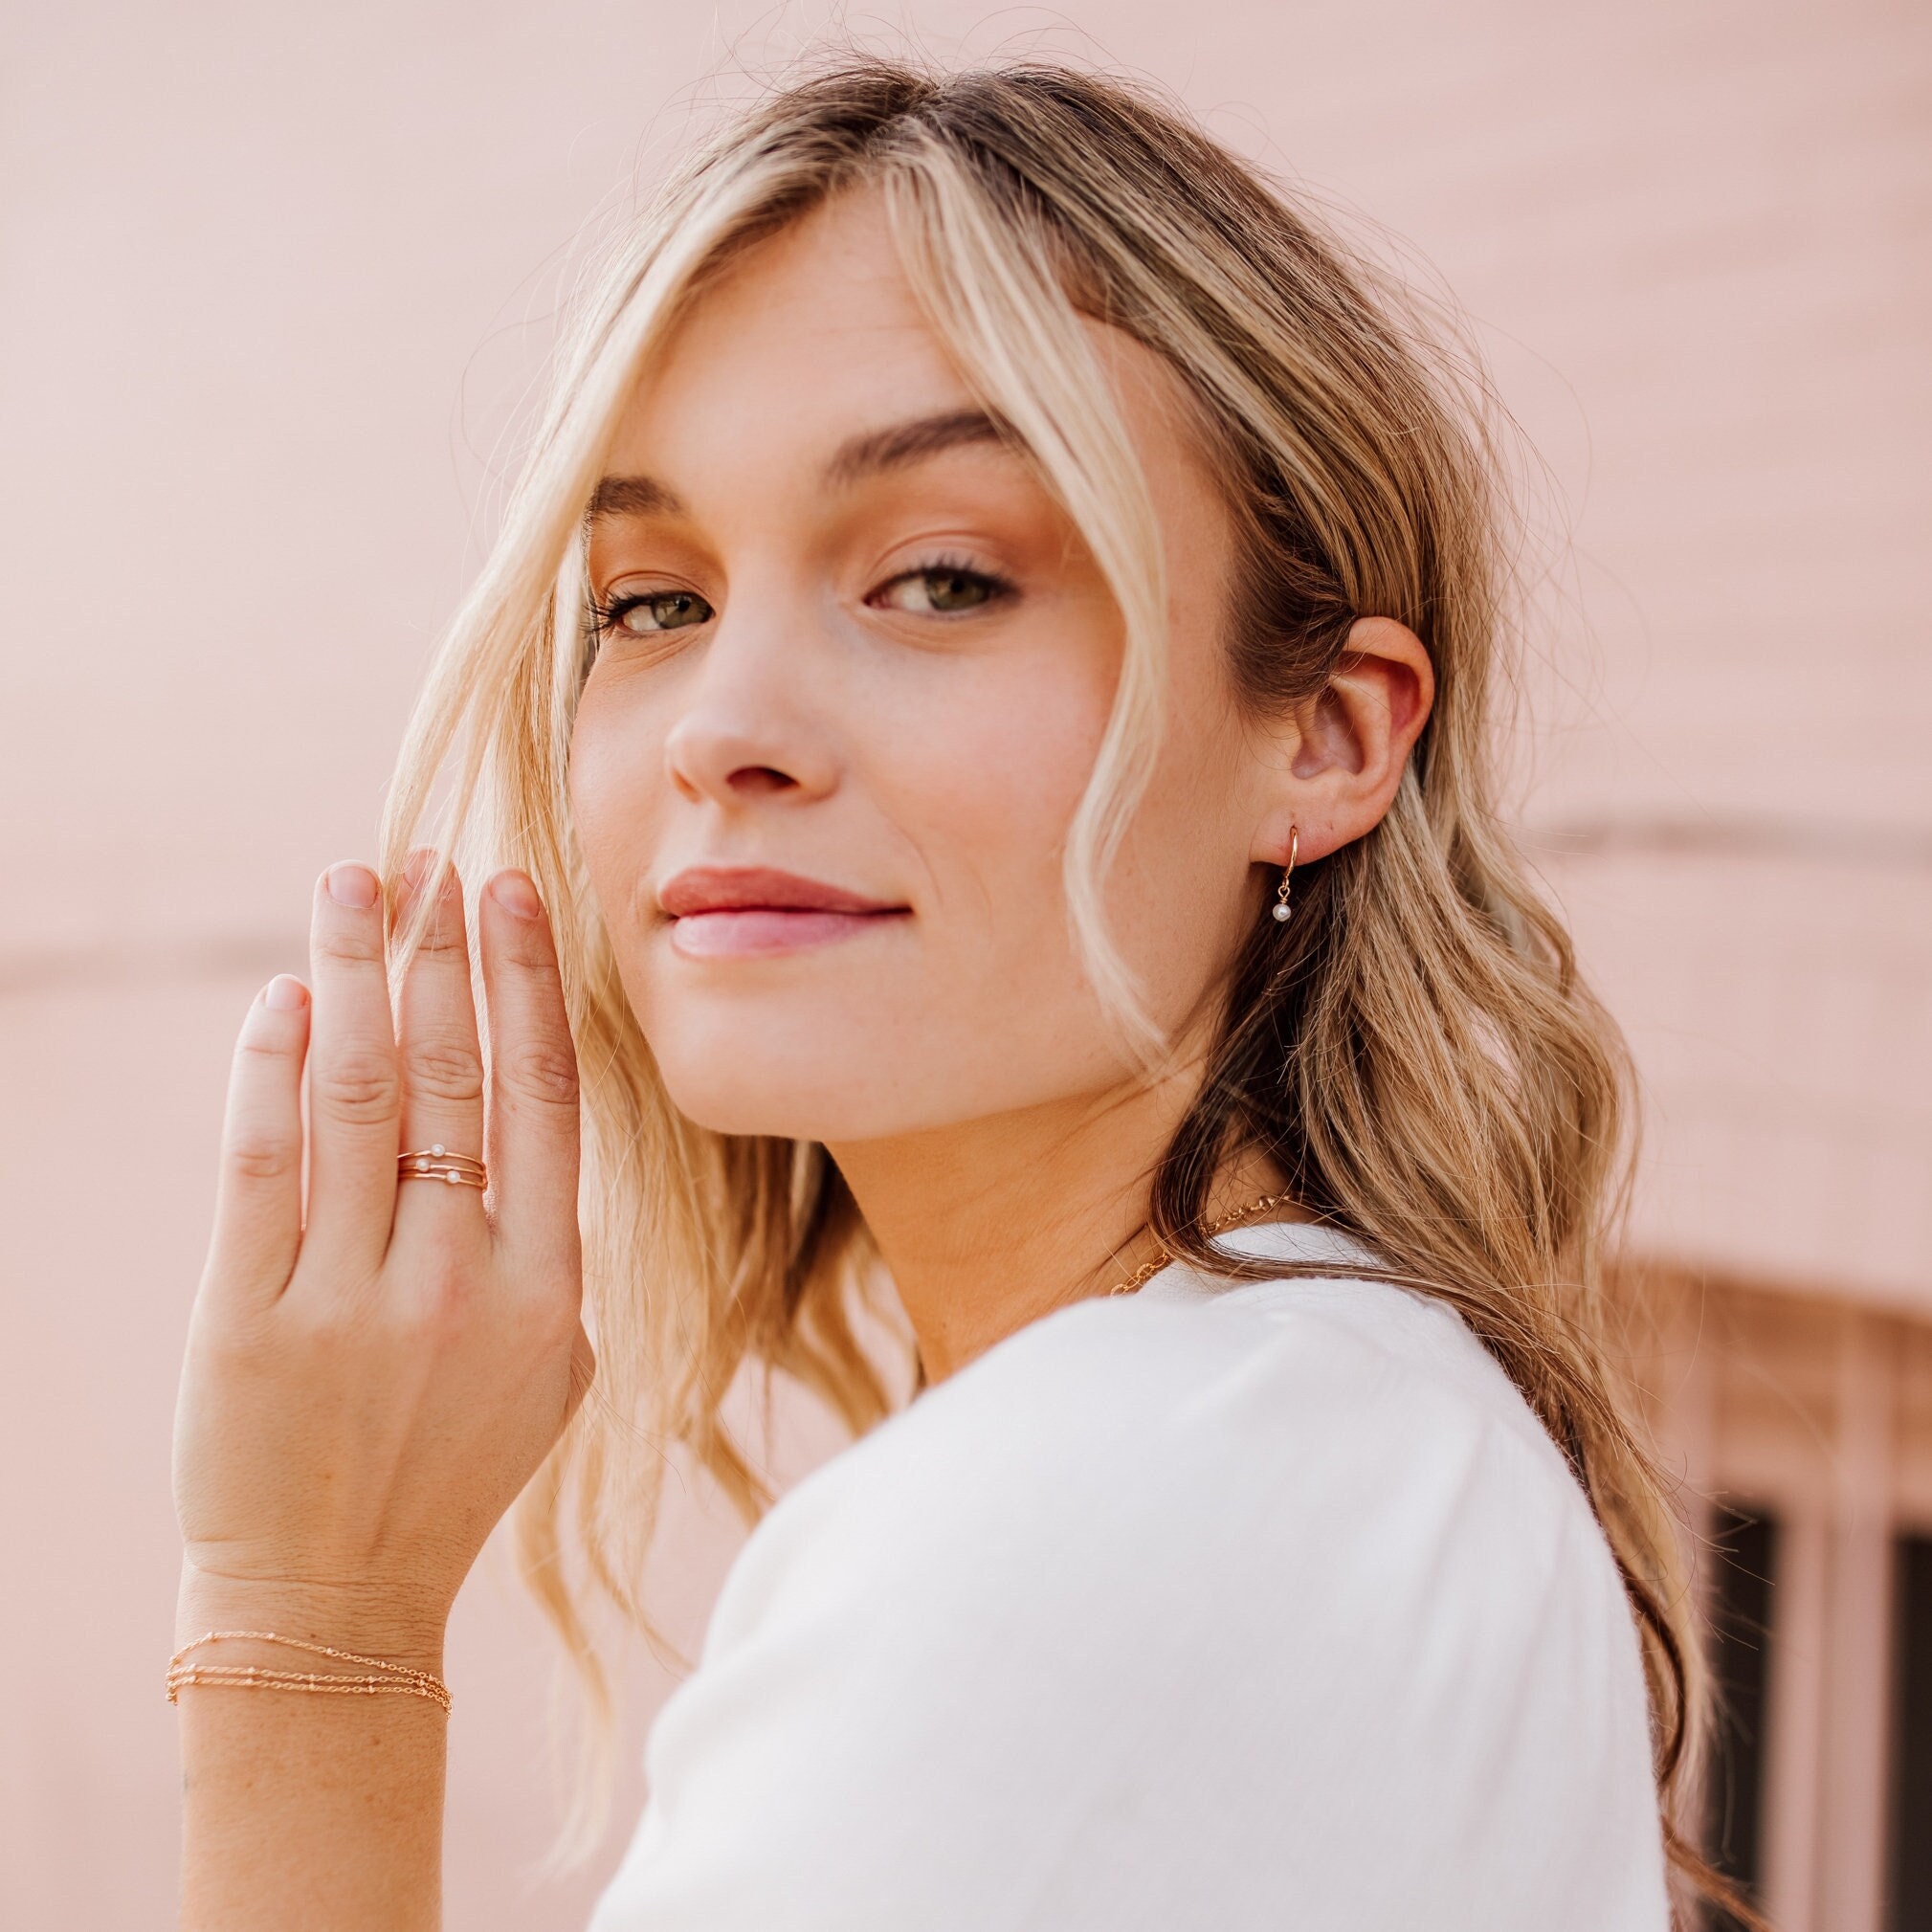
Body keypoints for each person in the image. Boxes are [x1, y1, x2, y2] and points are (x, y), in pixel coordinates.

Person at [168, 57, 1741, 1931]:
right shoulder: (1335, 1427)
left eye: (933, 577)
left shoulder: (1101, 1522)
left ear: (1319, 736)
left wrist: (308, 1618)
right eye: (649, 600)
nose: (727, 731)